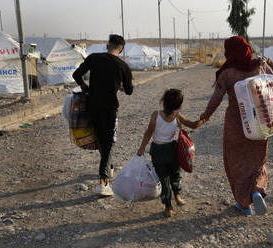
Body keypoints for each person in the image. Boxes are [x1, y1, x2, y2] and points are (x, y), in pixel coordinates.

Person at [199, 36, 273, 215]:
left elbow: (216, 99)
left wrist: (204, 117)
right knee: (258, 161)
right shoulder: (259, 66)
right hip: (259, 122)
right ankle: (257, 190)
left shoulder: (227, 72)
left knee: (236, 163)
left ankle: (244, 204)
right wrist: (268, 61)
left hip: (236, 124)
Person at [73, 34, 133, 196]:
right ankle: (103, 182)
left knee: (100, 139)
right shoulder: (123, 66)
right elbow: (129, 91)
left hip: (91, 105)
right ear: (121, 49)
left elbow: (76, 75)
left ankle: (109, 166)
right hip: (109, 108)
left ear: (108, 46)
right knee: (107, 143)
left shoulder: (93, 58)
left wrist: (87, 88)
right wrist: (119, 85)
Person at [137, 89, 205, 217]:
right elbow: (193, 125)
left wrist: (141, 149)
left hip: (157, 151)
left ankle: (168, 207)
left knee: (163, 179)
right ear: (179, 105)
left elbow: (149, 132)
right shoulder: (177, 115)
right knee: (175, 174)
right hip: (173, 150)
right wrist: (203, 119)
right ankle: (178, 196)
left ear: (163, 102)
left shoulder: (155, 115)